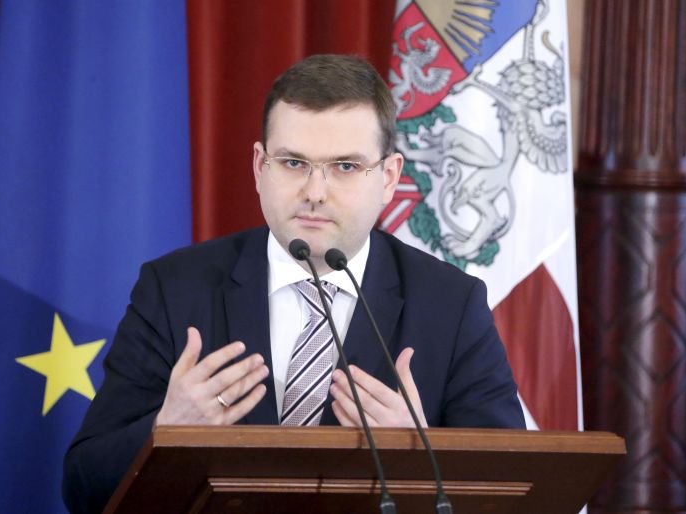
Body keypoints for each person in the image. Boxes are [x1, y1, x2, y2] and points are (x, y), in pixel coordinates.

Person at [63, 54, 525, 513]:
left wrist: (422, 457)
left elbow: (514, 494)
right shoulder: (174, 289)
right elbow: (84, 487)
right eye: (293, 163)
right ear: (259, 166)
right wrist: (165, 430)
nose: (315, 192)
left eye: (345, 166)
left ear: (388, 178)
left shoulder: (451, 306)